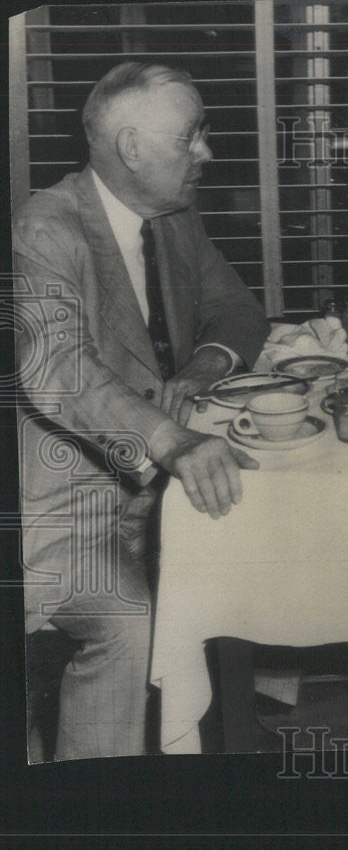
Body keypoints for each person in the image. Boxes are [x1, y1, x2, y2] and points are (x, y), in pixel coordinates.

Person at [13, 62, 270, 758]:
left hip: (149, 500)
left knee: (251, 548)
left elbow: (239, 309)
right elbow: (55, 367)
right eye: (192, 137)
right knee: (129, 621)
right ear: (132, 149)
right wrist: (171, 438)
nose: (206, 154)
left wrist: (204, 364)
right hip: (63, 504)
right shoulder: (46, 229)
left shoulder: (176, 221)